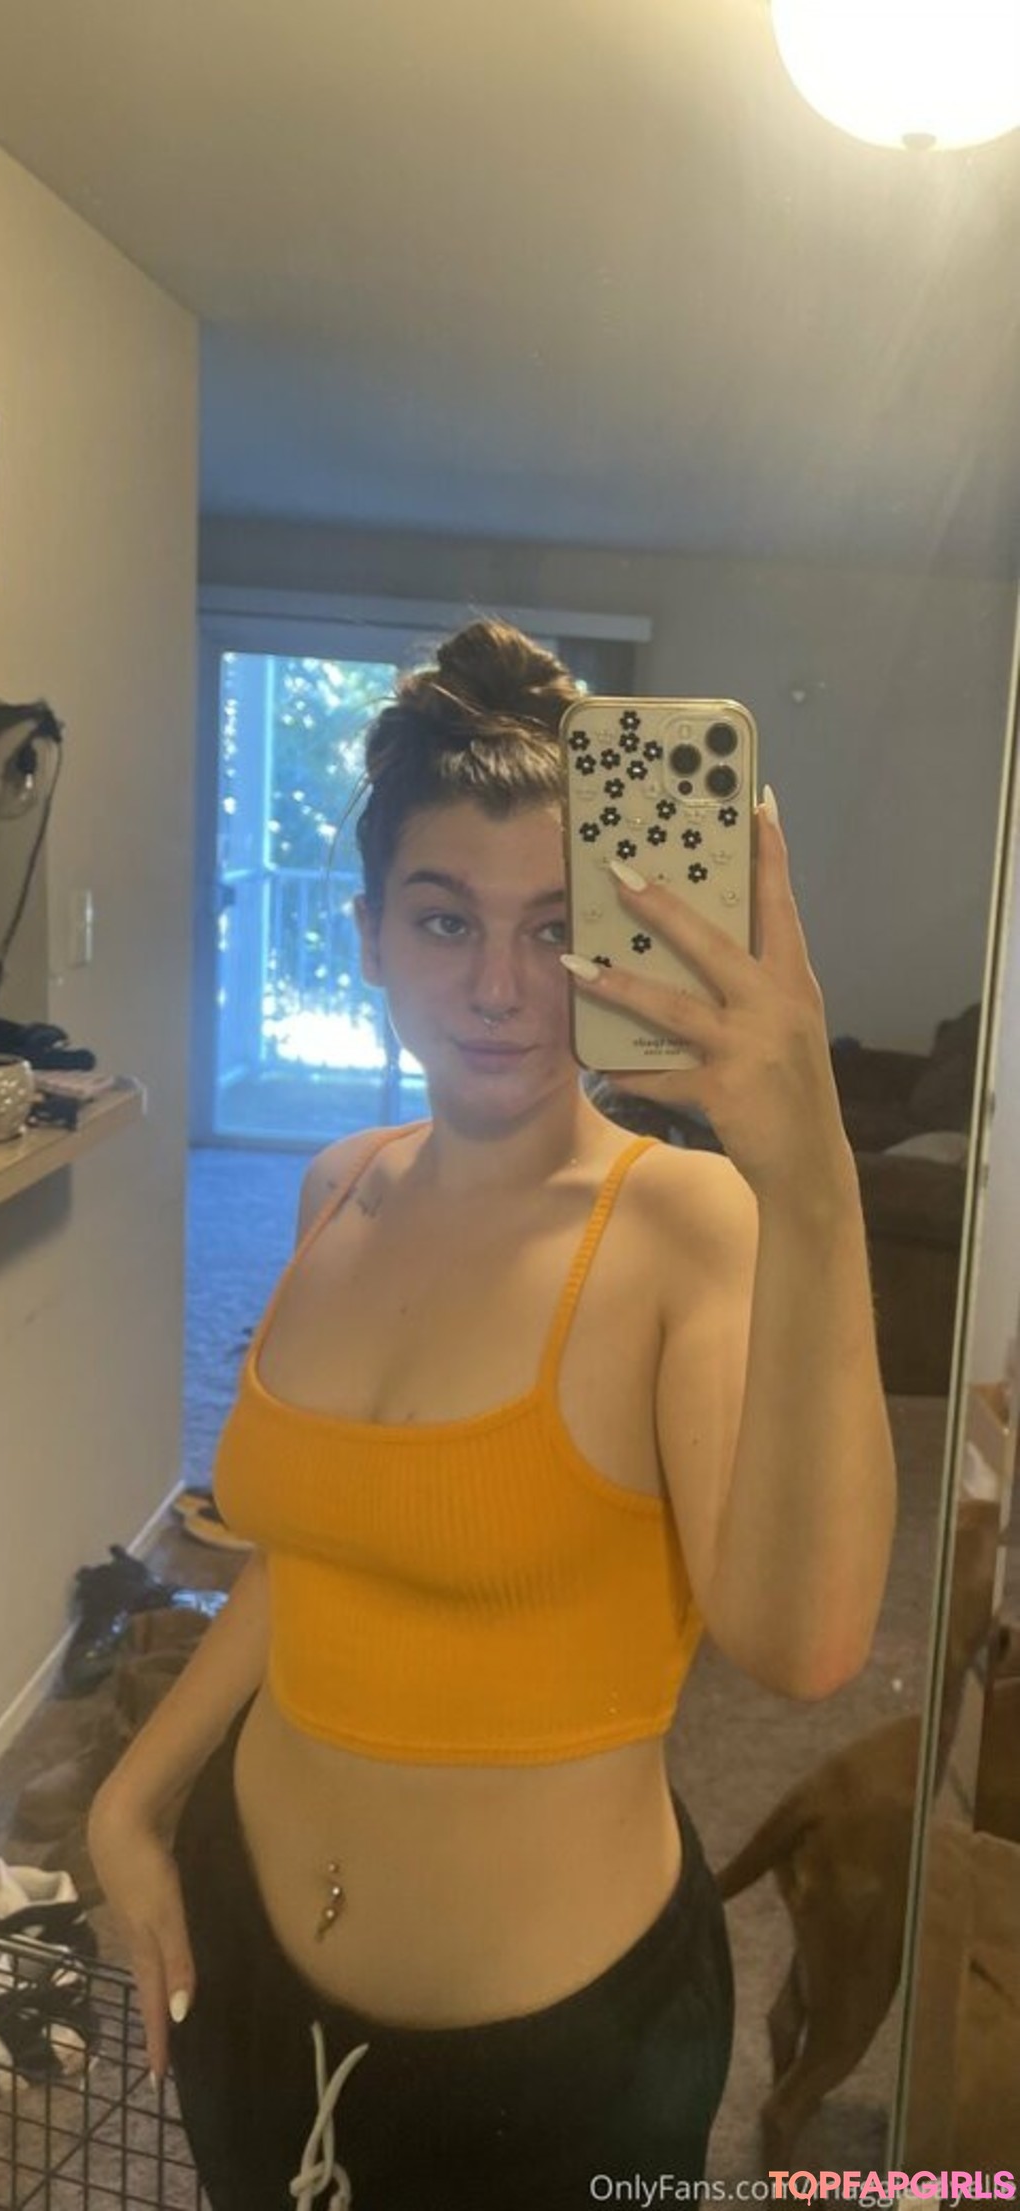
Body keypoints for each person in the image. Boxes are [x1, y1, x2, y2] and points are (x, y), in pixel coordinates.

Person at [88, 619, 897, 2211]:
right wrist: (132, 1799)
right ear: (370, 934)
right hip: (248, 1966)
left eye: (555, 930)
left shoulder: (688, 1226)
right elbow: (314, 1553)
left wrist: (814, 1180)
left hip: (558, 2069)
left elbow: (803, 1644)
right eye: (446, 919)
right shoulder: (338, 1190)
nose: (502, 988)